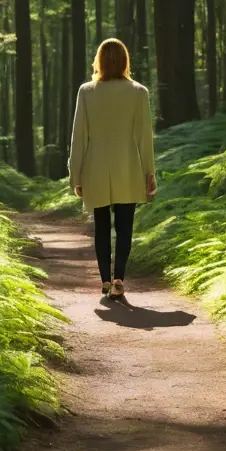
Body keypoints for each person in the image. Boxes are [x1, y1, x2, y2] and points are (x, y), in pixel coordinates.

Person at [68, 38, 157, 299]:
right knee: (125, 226)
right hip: (128, 166)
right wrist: (149, 172)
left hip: (95, 167)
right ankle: (119, 278)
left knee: (102, 226)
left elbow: (79, 136)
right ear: (125, 61)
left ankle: (105, 281)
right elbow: (144, 136)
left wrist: (75, 174)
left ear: (100, 61)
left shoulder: (87, 91)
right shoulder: (139, 92)